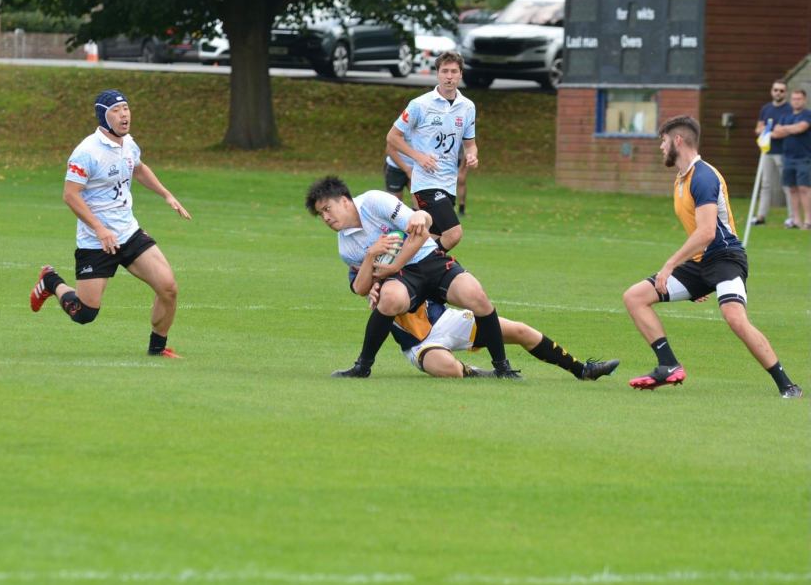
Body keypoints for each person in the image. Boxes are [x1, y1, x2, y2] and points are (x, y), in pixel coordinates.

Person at [622, 115, 802, 398]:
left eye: (664, 141)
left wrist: (670, 265)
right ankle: (668, 365)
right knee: (635, 297)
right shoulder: (681, 180)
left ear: (678, 141)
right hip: (701, 263)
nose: (661, 147)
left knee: (734, 317)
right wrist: (697, 281)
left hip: (726, 258)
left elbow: (707, 232)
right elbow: (699, 236)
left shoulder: (703, 177)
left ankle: (788, 385)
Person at [305, 175, 519, 379]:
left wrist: (394, 265)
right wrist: (372, 258)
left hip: (428, 259)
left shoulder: (374, 201)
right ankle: (362, 367)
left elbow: (422, 232)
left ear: (344, 201)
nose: (326, 218)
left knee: (476, 295)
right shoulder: (345, 247)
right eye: (320, 214)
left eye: (327, 209)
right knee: (390, 299)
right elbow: (361, 287)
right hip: (403, 278)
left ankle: (502, 367)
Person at [29, 89, 191, 358]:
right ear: (103, 117)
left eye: (126, 108)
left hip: (129, 233)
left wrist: (166, 194)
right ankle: (51, 280)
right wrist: (100, 228)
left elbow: (138, 168)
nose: (124, 114)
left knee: (168, 288)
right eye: (116, 110)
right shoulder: (86, 152)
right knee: (84, 313)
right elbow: (70, 195)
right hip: (96, 241)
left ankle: (157, 350)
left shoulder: (129, 144)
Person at [369, 284, 619, 379]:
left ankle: (583, 370)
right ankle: (477, 372)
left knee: (520, 331)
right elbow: (359, 284)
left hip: (447, 320)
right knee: (448, 369)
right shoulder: (371, 262)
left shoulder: (421, 256)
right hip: (417, 343)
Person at [386, 50, 476, 253]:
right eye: (445, 71)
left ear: (461, 74)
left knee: (428, 241)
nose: (449, 76)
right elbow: (392, 137)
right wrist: (419, 157)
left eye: (454, 71)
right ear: (437, 74)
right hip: (425, 183)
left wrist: (472, 155)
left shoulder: (468, 107)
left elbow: (470, 144)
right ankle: (423, 265)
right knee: (453, 234)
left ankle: (400, 262)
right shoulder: (419, 105)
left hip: (448, 184)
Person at [752, 79, 796, 227]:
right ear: (772, 91)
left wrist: (769, 132)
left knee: (787, 185)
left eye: (781, 91)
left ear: (786, 93)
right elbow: (758, 128)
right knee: (765, 184)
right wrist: (769, 132)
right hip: (766, 151)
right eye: (776, 90)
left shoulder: (789, 109)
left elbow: (784, 131)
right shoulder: (766, 108)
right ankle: (761, 216)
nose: (778, 93)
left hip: (783, 152)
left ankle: (792, 217)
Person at [771, 88, 811, 230]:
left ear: (804, 100)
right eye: (794, 99)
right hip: (787, 157)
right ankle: (796, 220)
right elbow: (776, 133)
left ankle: (808, 220)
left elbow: (801, 128)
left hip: (804, 158)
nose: (796, 101)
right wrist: (790, 129)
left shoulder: (807, 114)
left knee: (804, 188)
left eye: (799, 99)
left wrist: (785, 129)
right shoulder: (785, 116)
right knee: (792, 189)